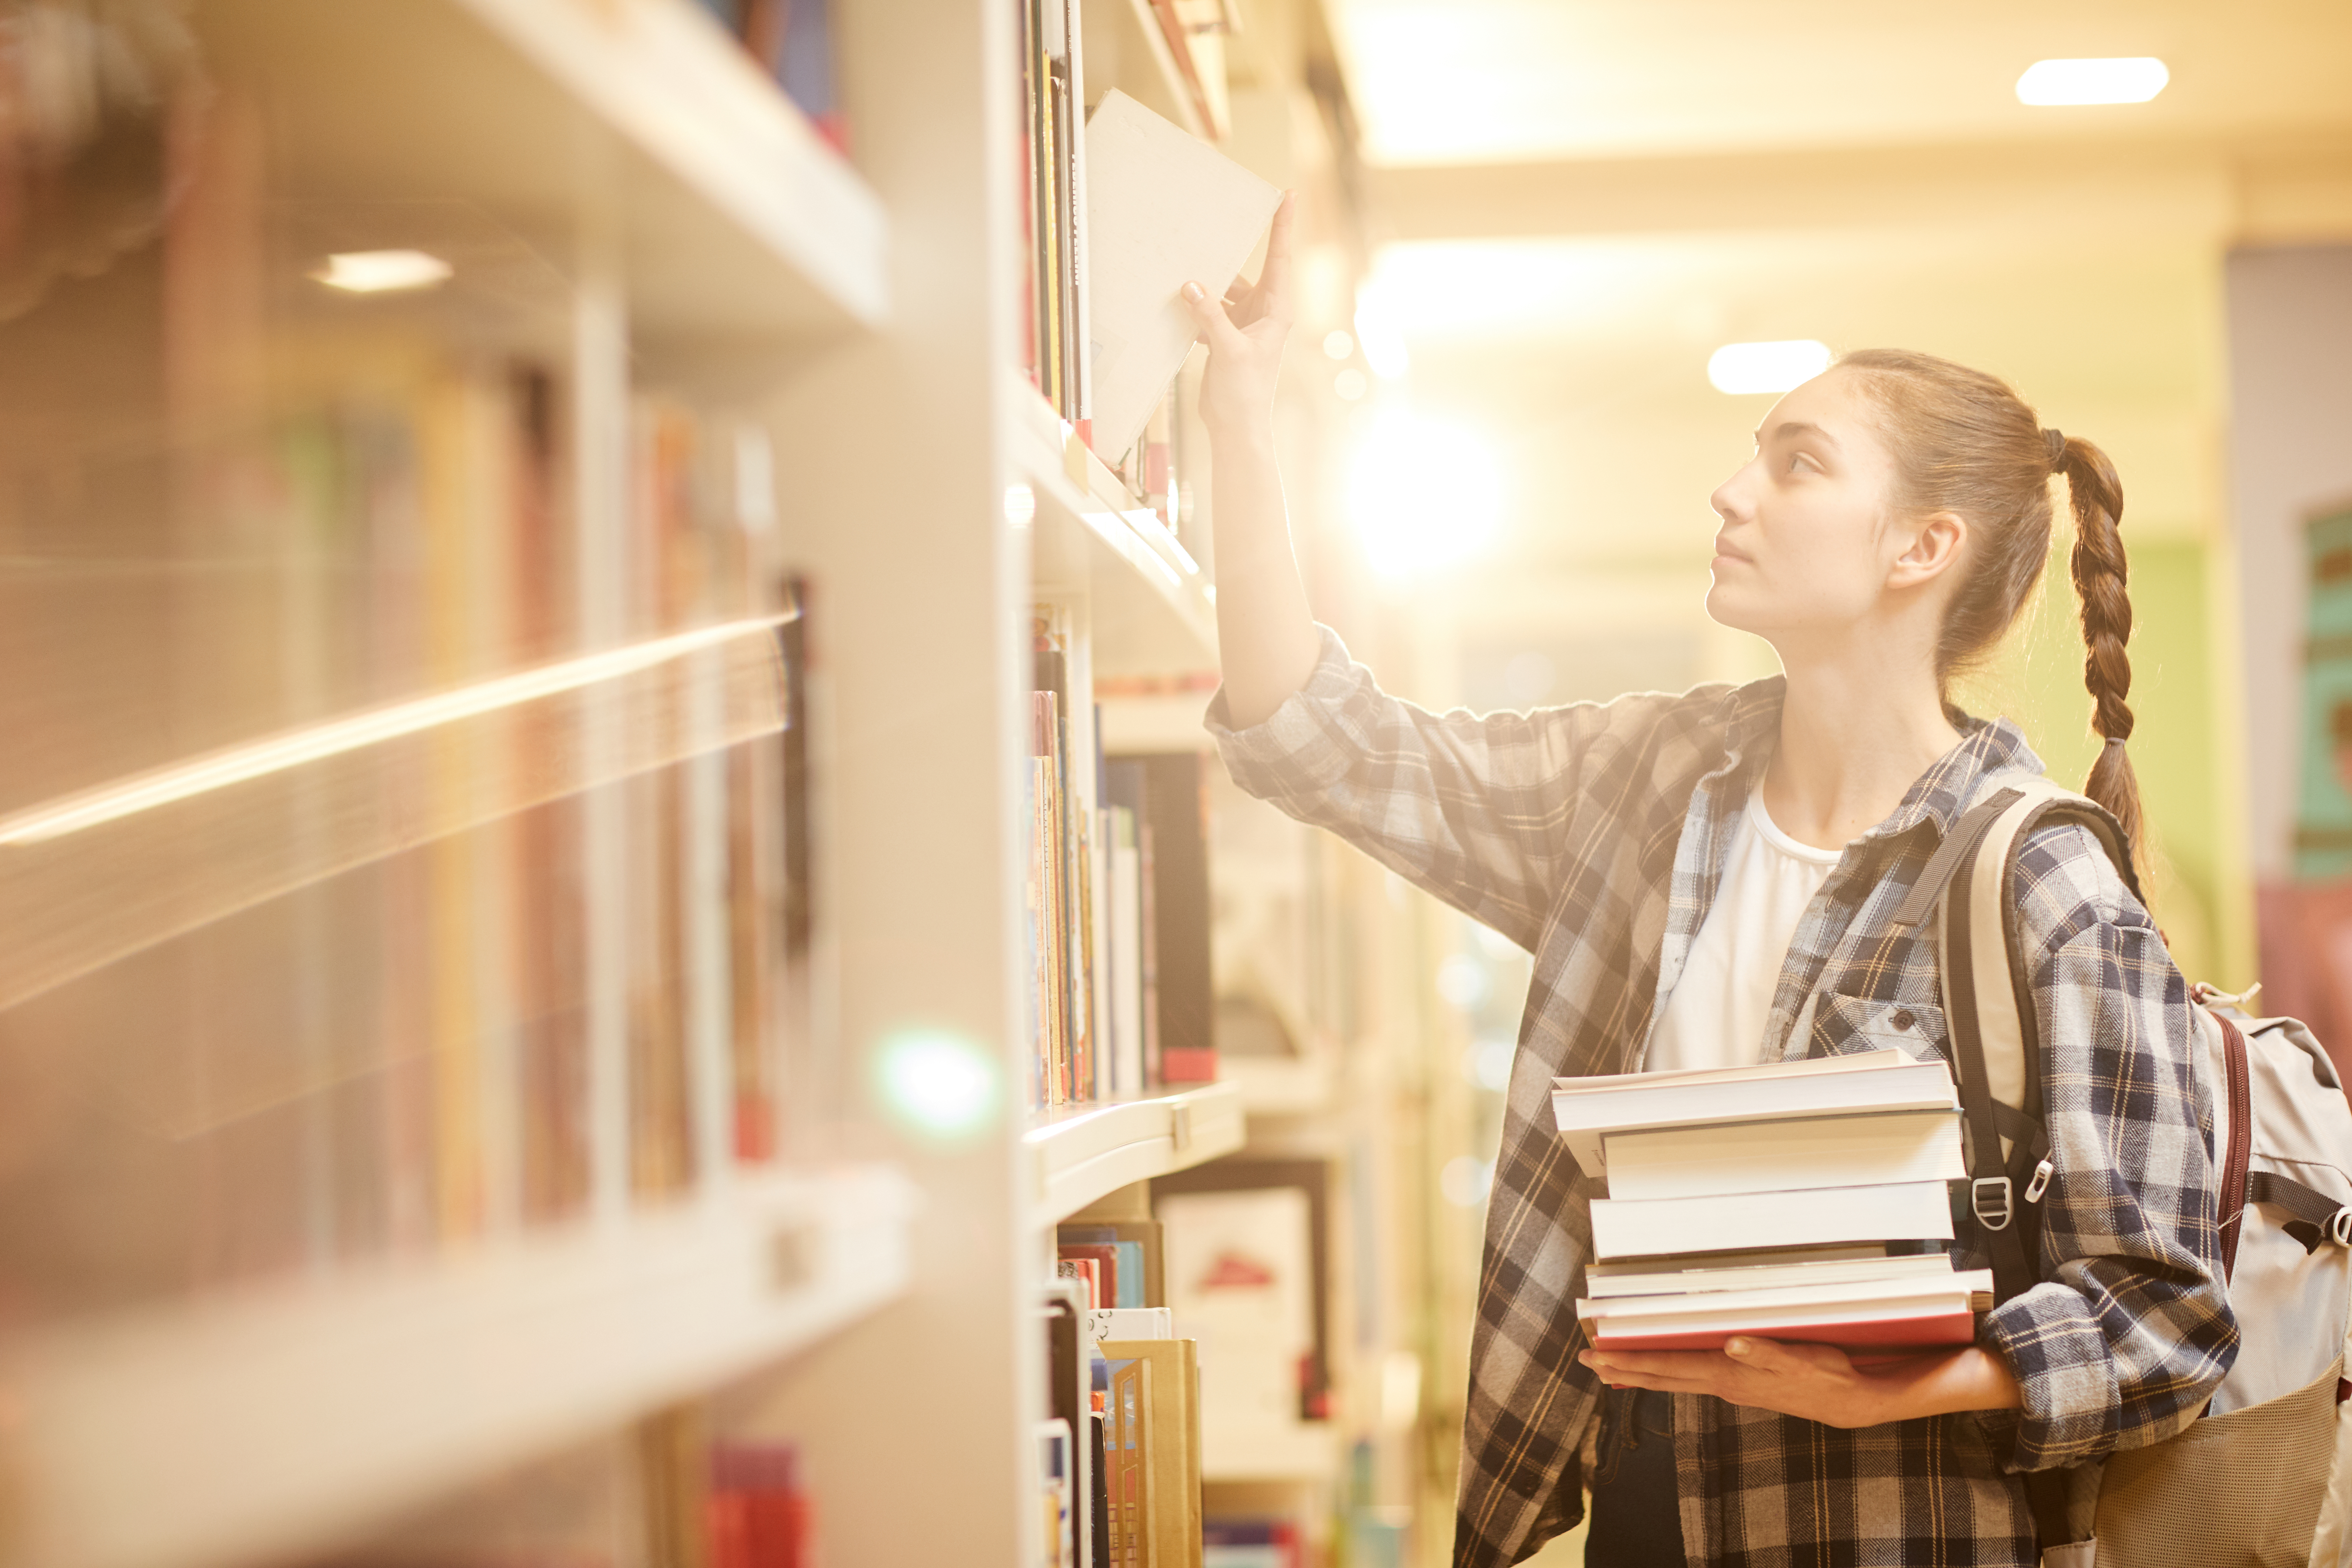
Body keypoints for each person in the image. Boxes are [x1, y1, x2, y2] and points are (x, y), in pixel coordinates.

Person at [1182, 200, 2237, 1567]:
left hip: (1887, 1519)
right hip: (1645, 1495)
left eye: (1797, 464)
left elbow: (2167, 1316)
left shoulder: (2041, 882)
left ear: (1921, 548)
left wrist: (1917, 1380)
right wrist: (1242, 416)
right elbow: (1320, 741)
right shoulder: (1642, 787)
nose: (1732, 493)